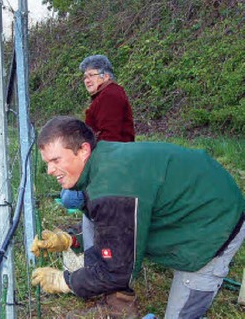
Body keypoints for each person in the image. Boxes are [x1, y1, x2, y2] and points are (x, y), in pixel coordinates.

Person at [31, 116, 245, 319]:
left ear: (83, 150)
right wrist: (71, 239)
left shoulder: (112, 188)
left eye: (56, 160)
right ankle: (119, 301)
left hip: (215, 223)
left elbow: (116, 271)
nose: (50, 170)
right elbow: (107, 222)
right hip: (195, 197)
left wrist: (66, 281)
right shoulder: (100, 164)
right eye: (47, 162)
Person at [60, 54, 135, 210]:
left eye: (91, 75)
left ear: (105, 76)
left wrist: (89, 166)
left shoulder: (110, 96)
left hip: (112, 163)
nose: (87, 80)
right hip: (105, 159)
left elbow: (110, 138)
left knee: (70, 199)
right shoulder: (104, 95)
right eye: (85, 77)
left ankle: (100, 204)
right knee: (66, 190)